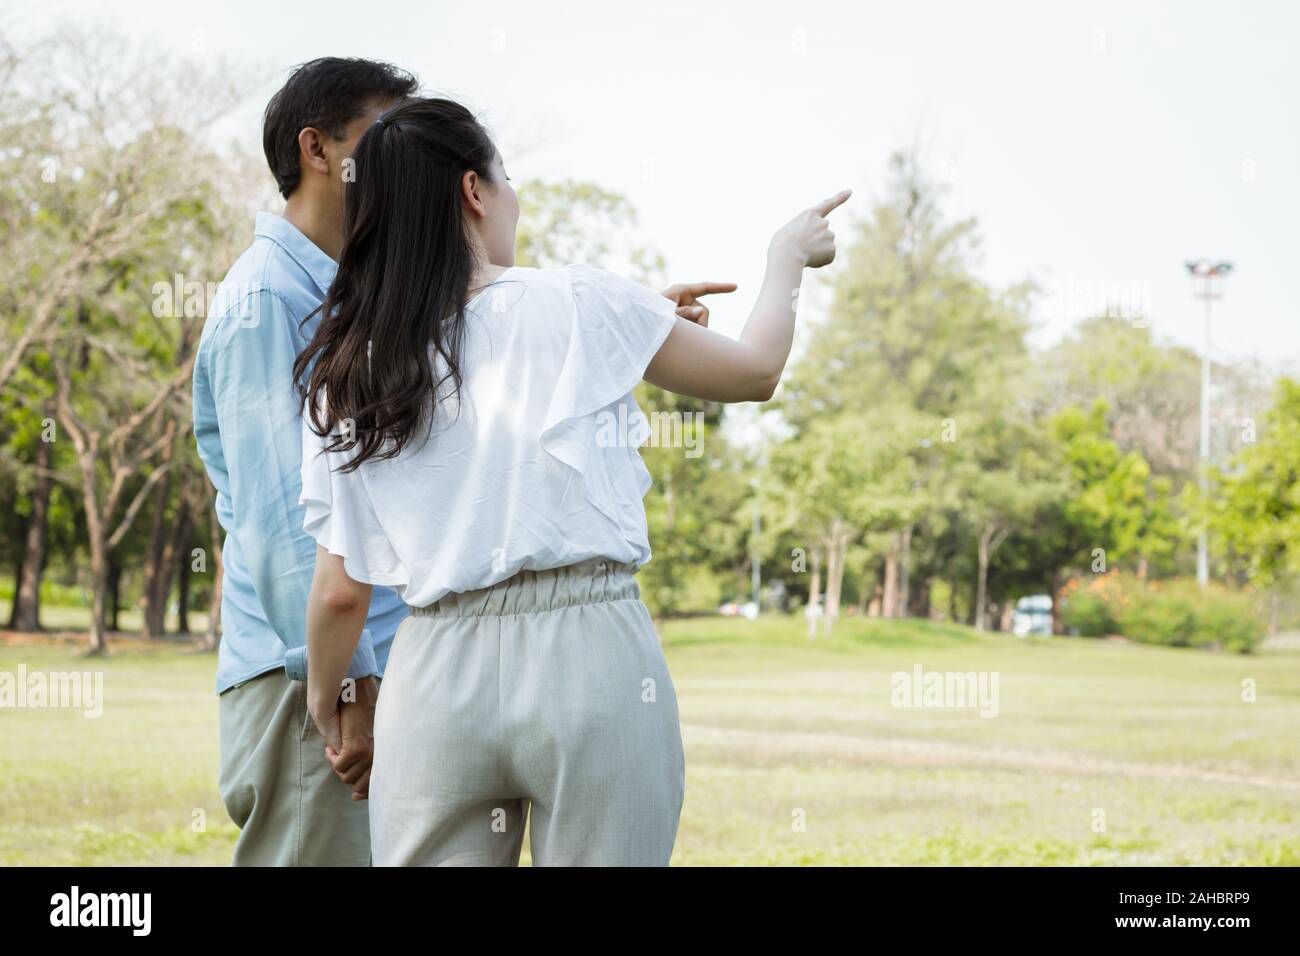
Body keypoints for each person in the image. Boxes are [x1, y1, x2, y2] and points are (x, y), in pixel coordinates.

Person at [297, 96, 848, 866]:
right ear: (473, 191)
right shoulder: (580, 302)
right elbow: (756, 372)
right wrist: (786, 259)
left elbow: (338, 592)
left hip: (434, 674)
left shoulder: (348, 363)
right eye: (506, 178)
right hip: (591, 656)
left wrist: (333, 707)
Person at [193, 57, 420, 865]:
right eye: (382, 141)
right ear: (317, 149)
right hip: (311, 684)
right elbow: (283, 519)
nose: (405, 166)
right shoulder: (267, 301)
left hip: (368, 670)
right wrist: (345, 685)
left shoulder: (349, 296)